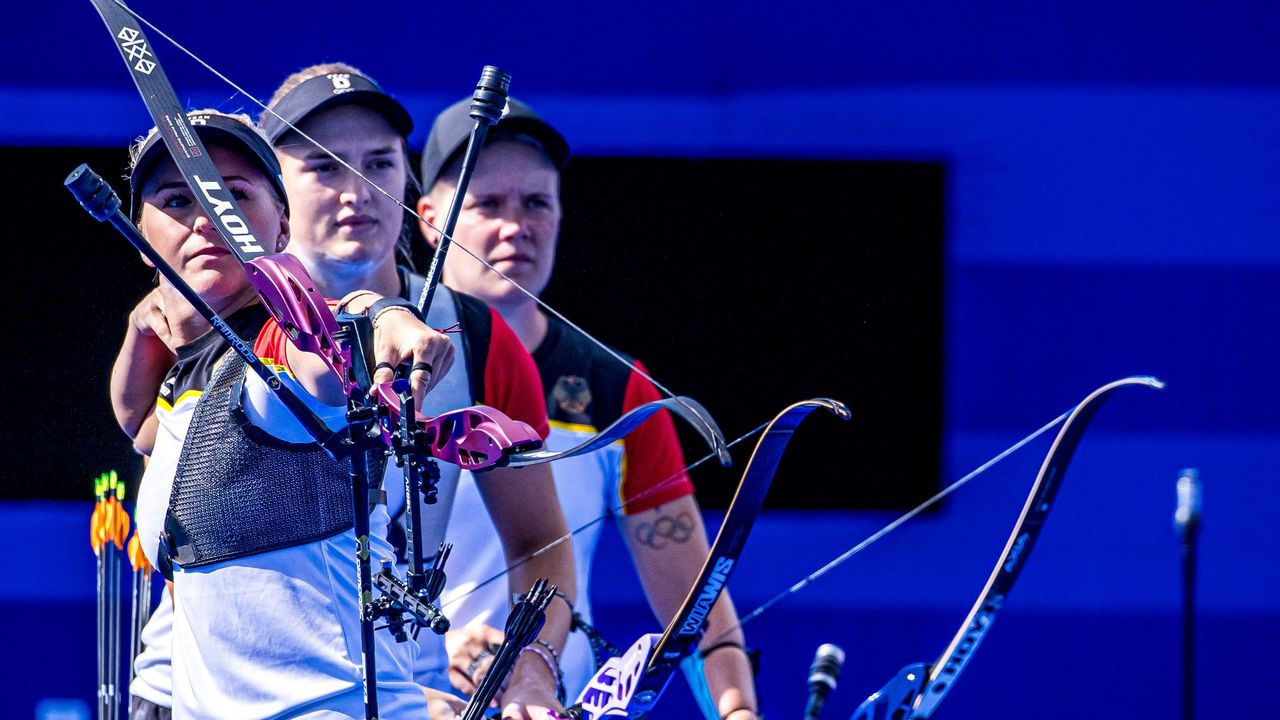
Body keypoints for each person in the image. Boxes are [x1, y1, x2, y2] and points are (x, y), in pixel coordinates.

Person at [125, 66, 576, 720]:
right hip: (188, 688)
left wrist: (532, 668)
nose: (355, 190)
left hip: (374, 684)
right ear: (273, 197)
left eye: (379, 162)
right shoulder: (202, 324)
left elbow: (539, 542)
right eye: (324, 167)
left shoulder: (478, 339)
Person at [415, 98, 760, 720]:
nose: (515, 226)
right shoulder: (379, 369)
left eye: (537, 203)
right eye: (488, 204)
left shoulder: (616, 387)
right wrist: (428, 653)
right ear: (431, 221)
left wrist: (737, 712)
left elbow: (696, 609)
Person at [121, 109, 457, 718]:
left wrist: (384, 315)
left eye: (234, 195)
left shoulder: (271, 354)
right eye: (178, 198)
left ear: (281, 227)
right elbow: (134, 421)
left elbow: (326, 354)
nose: (206, 218)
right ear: (143, 237)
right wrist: (137, 327)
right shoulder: (185, 379)